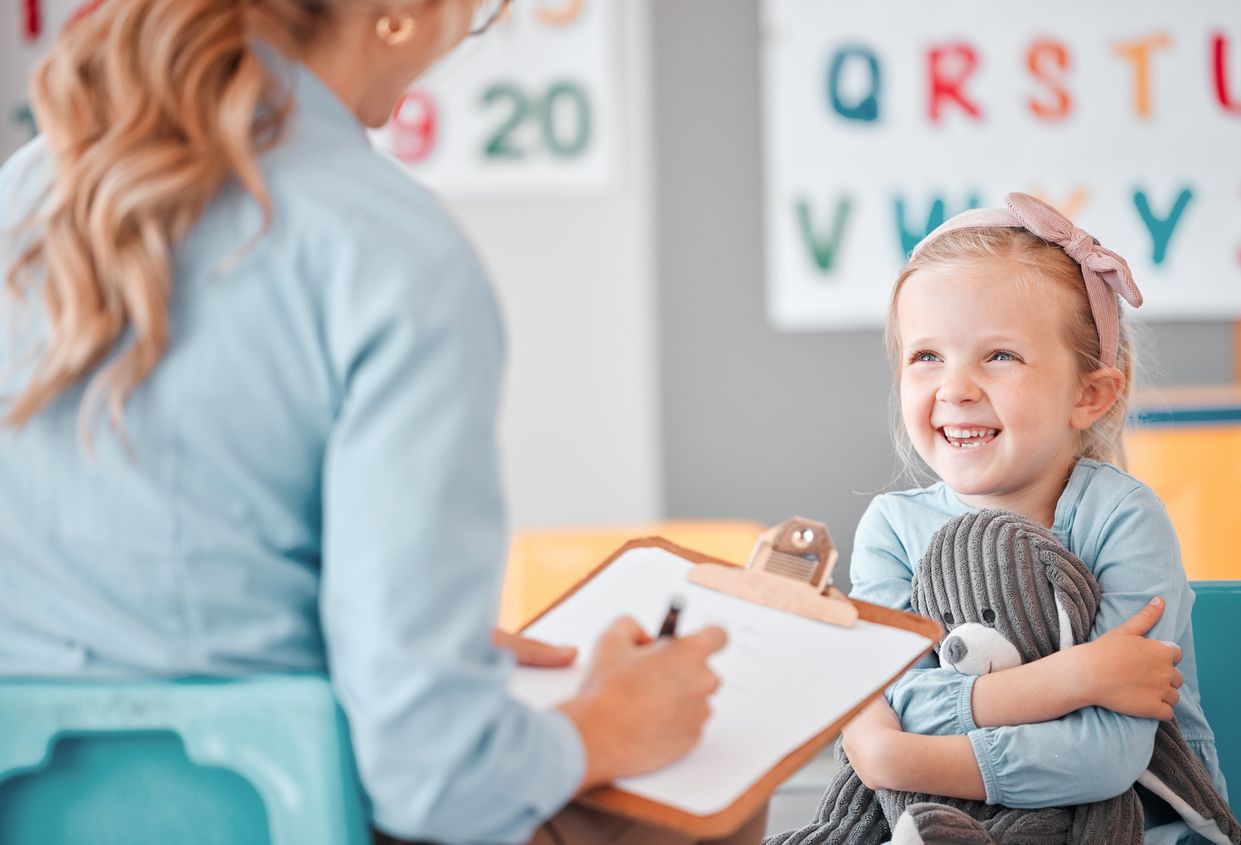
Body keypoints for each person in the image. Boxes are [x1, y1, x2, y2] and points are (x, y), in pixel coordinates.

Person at [0, 2, 764, 843]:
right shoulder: (387, 246)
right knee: (714, 796)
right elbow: (433, 779)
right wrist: (611, 722)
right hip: (277, 810)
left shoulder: (28, 188)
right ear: (398, 16)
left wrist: (389, 638)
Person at [770, 194, 1226, 844]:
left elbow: (1106, 759)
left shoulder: (1122, 518)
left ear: (1088, 394)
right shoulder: (893, 529)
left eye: (999, 356)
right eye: (926, 356)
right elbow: (899, 697)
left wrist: (896, 757)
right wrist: (1071, 677)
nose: (954, 387)